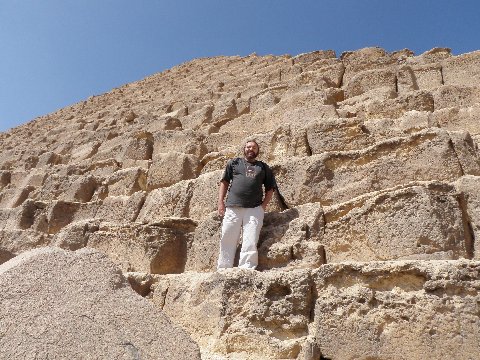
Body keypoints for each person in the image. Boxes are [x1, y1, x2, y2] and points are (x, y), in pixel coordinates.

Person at [217, 140, 276, 270]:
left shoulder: (263, 167)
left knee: (250, 239)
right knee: (227, 237)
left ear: (257, 151)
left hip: (254, 209)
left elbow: (270, 188)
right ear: (244, 149)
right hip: (233, 207)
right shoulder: (234, 163)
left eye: (254, 147)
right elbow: (224, 182)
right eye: (248, 147)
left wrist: (263, 207)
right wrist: (220, 202)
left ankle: (246, 268)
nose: (251, 149)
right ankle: (223, 268)